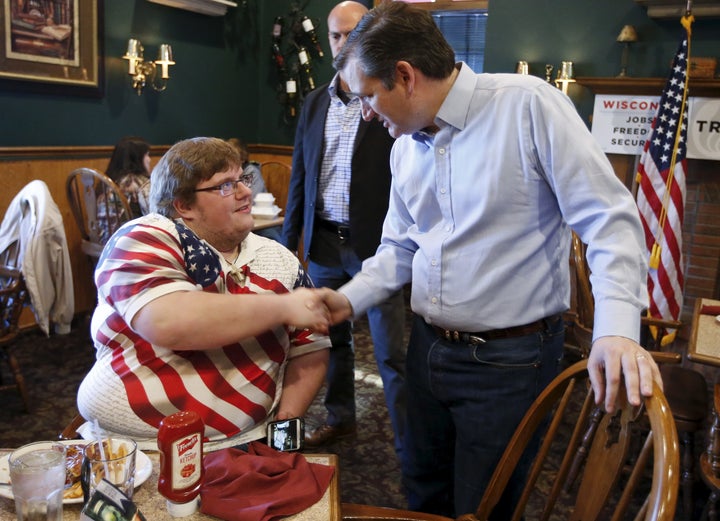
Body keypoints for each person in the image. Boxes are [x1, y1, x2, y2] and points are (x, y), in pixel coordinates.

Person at [319, 2, 664, 518]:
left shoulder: (530, 106)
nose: (365, 112)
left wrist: (615, 327)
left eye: (369, 96)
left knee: (488, 504)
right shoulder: (403, 147)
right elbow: (401, 247)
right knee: (421, 488)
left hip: (510, 361)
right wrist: (345, 300)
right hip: (427, 350)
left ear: (406, 76)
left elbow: (608, 219)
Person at [77, 137, 331, 452]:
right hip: (134, 451)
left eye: (243, 179)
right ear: (183, 206)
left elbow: (311, 348)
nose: (246, 192)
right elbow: (169, 322)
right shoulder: (148, 237)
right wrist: (283, 307)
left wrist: (283, 439)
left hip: (244, 446)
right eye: (225, 185)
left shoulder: (279, 259)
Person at [281, 0, 406, 455]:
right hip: (324, 245)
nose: (343, 43)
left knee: (391, 351)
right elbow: (301, 175)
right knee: (328, 343)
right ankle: (341, 418)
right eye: (336, 35)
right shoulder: (315, 102)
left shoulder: (387, 98)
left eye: (353, 34)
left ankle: (406, 434)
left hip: (377, 247)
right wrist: (287, 245)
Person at [105, 136, 152, 218]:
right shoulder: (138, 182)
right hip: (130, 229)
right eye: (147, 155)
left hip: (106, 230)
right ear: (137, 159)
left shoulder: (108, 181)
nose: (149, 159)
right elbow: (153, 214)